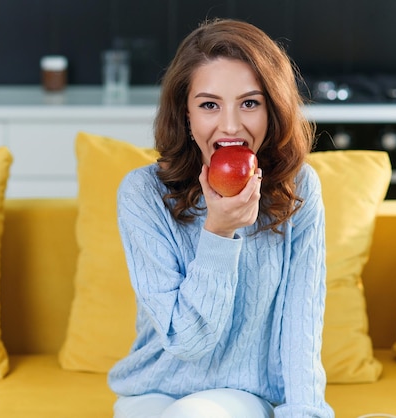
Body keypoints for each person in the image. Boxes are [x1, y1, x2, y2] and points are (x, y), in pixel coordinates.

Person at [107, 18, 334, 418]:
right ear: (186, 114)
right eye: (209, 104)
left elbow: (301, 327)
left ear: (273, 109)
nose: (230, 126)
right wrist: (219, 232)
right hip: (152, 392)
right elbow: (187, 341)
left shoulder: (299, 188)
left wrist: (304, 412)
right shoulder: (143, 193)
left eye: (250, 103)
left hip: (241, 394)